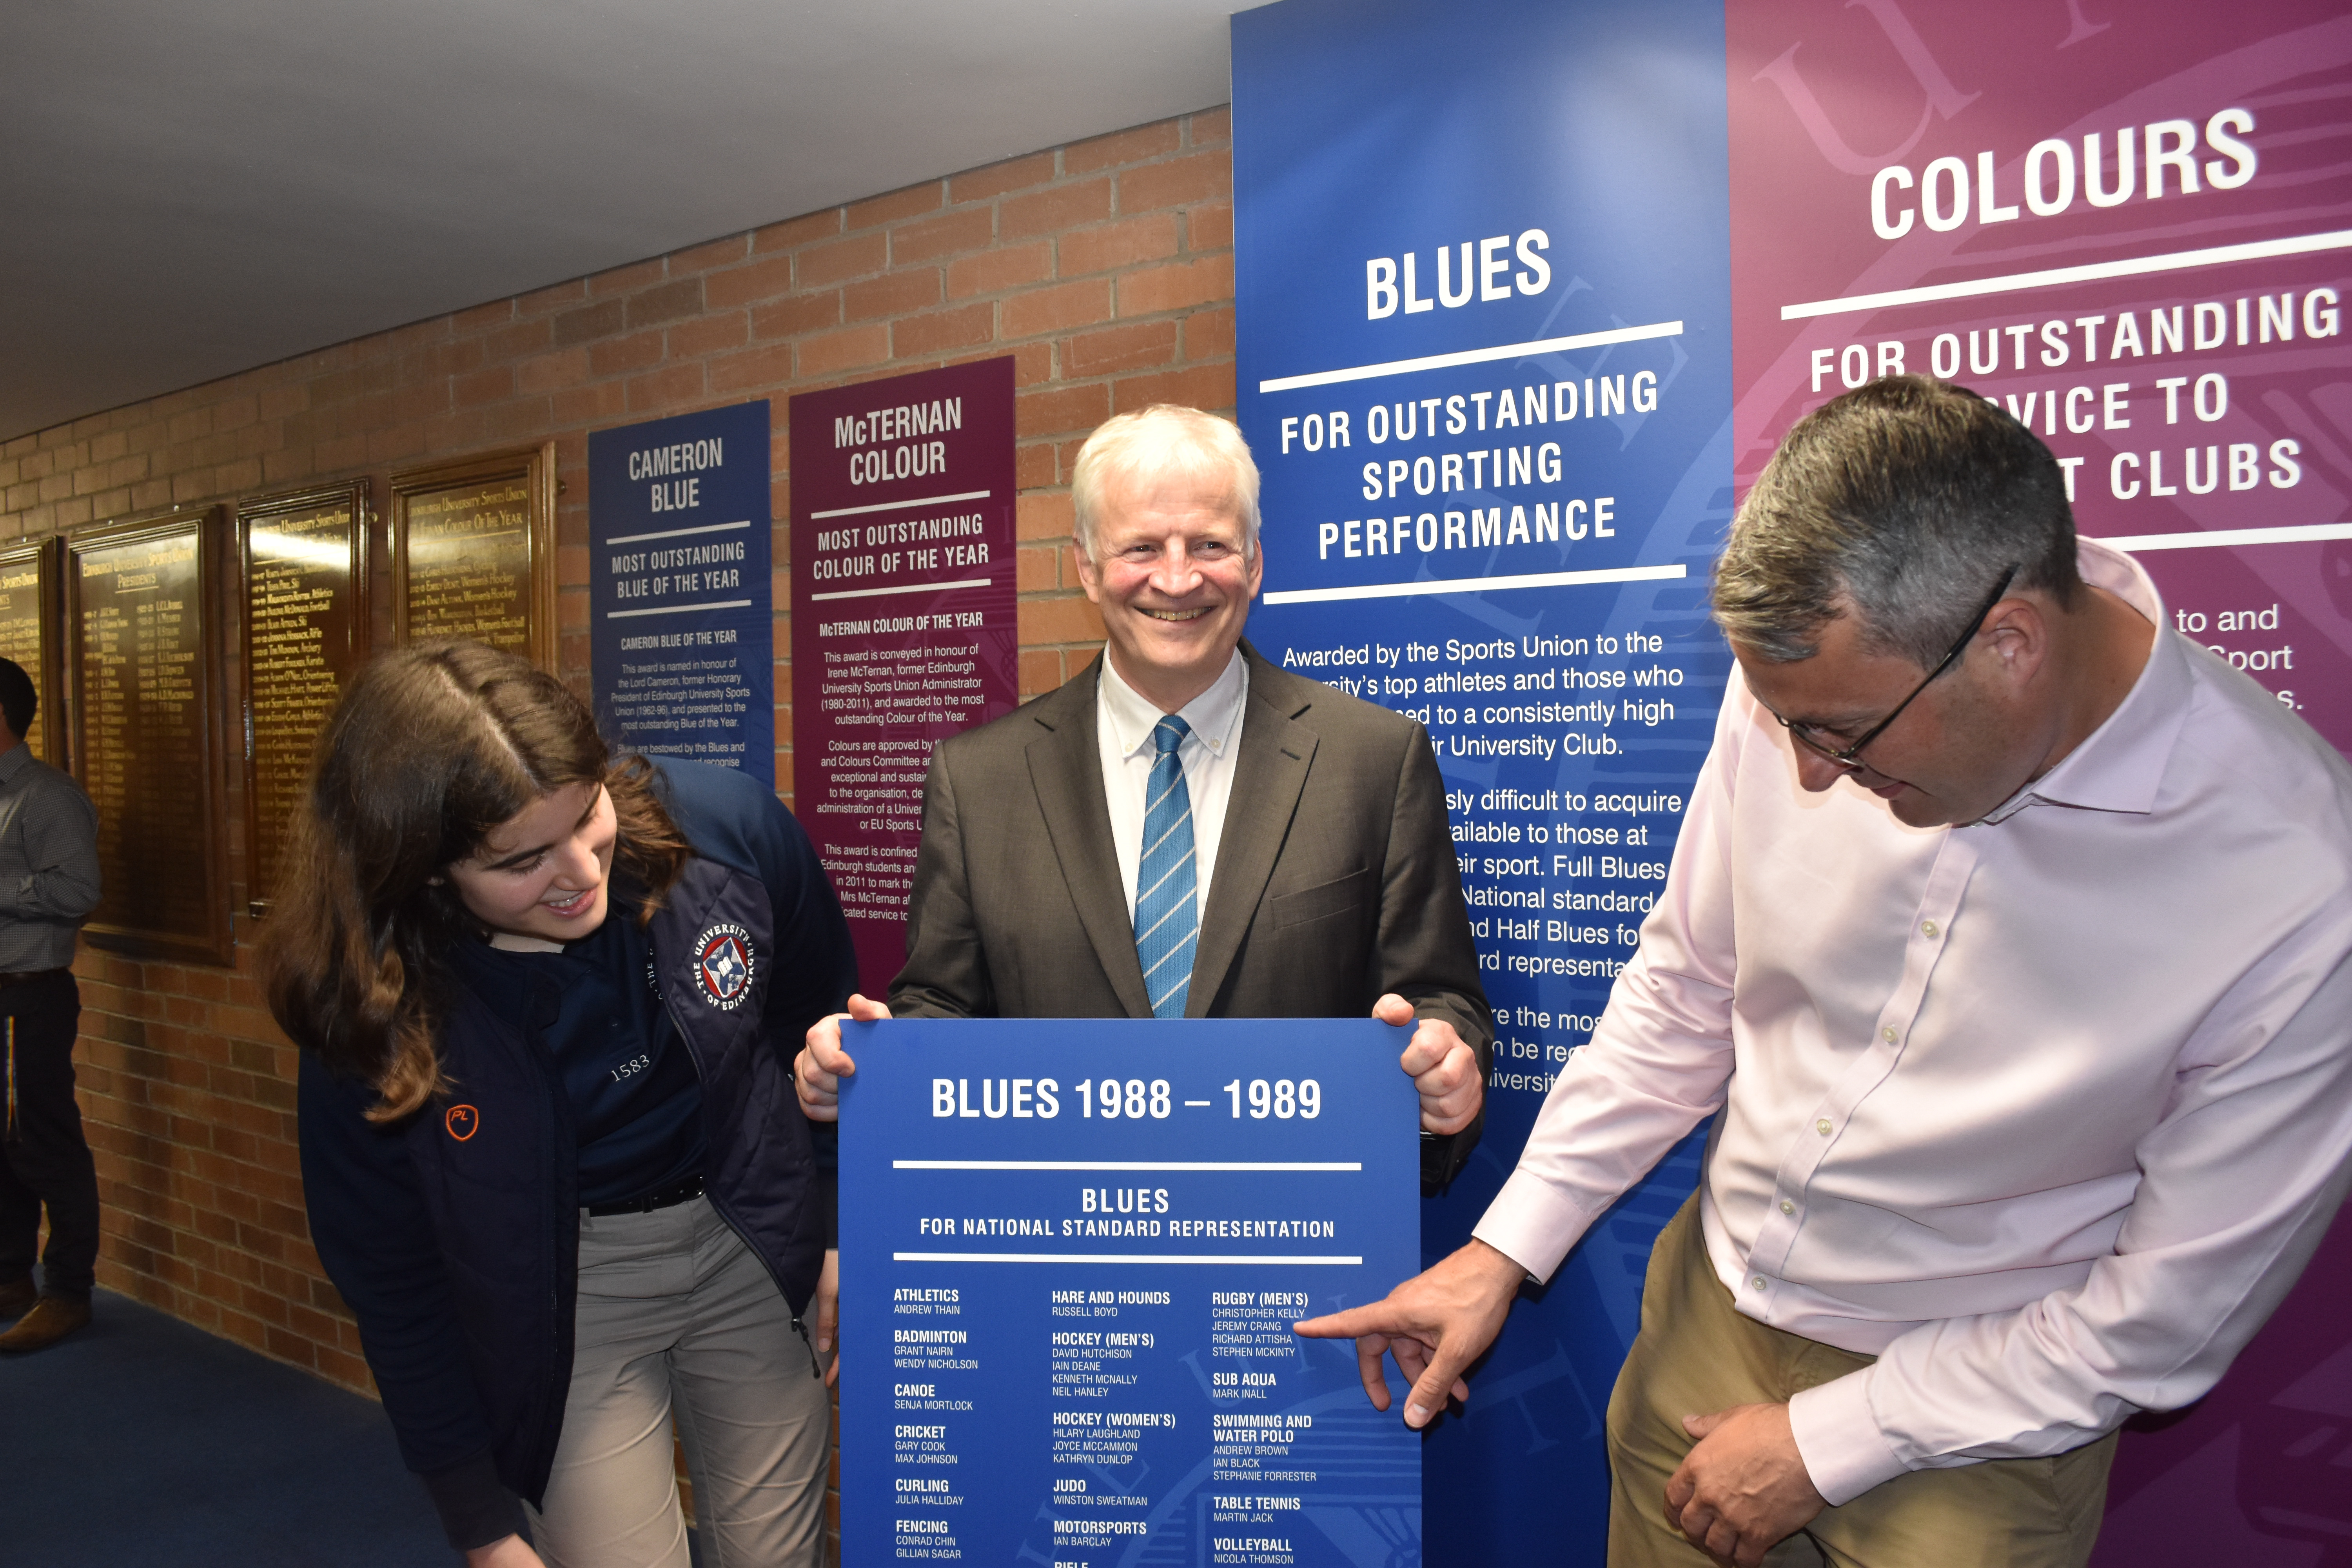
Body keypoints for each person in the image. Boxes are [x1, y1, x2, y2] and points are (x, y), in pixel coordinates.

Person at [1297, 376, 2352, 1567]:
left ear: (2009, 643)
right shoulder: (1817, 683)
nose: (1808, 778)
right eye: (1785, 724)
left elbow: (2164, 1321)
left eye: (1845, 737)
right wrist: (1503, 1253)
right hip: (1709, 1316)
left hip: (1980, 1423)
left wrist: (1835, 1439)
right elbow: (1686, 992)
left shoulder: (2296, 877)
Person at [261, 641, 855, 1568]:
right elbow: (391, 1279)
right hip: (563, 1291)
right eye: (524, 859)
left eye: (589, 816)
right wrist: (482, 1527)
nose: (583, 870)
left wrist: (833, 1225)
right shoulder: (371, 1003)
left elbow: (819, 1022)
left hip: (748, 1232)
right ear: (426, 870)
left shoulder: (728, 831)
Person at [795, 403, 1490, 1189]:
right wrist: (872, 1063)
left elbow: (1440, 996)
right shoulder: (979, 780)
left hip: (1295, 1235)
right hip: (1064, 1244)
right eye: (1141, 548)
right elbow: (940, 1009)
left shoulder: (1373, 759)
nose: (1177, 577)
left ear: (1255, 561)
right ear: (1088, 567)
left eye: (1210, 544)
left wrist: (1447, 1061)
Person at [0, 655, 103, 1355]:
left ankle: (68, 1289)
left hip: (32, 996)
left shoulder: (46, 796)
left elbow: (77, 891)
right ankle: (12, 1276)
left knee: (45, 1140)